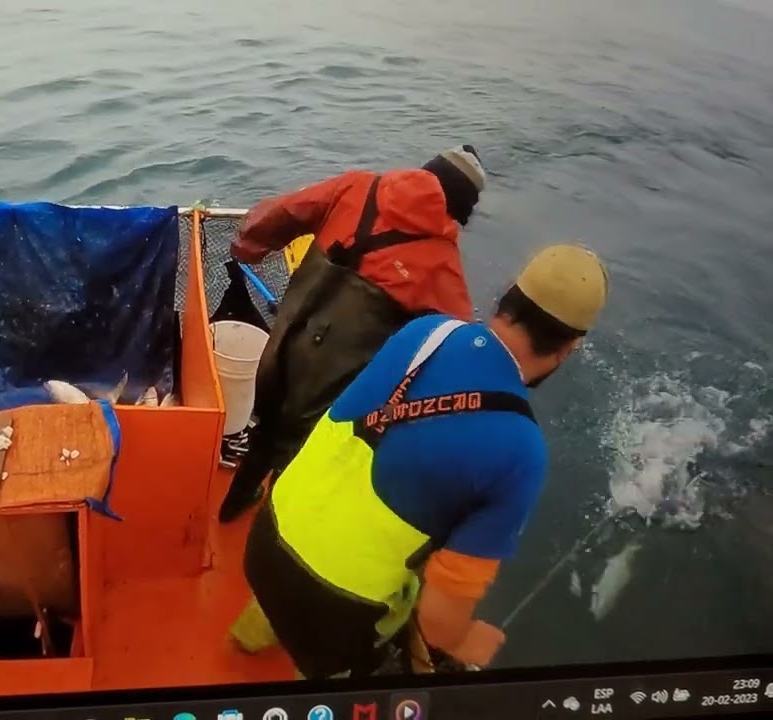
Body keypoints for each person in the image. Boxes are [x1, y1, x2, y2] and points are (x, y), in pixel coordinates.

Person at [228, 244, 609, 679]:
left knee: (295, 574)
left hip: (265, 539)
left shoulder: (428, 332)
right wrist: (467, 641)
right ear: (569, 349)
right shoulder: (522, 451)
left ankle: (246, 635)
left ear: (507, 297)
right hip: (336, 610)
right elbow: (438, 623)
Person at [218, 146, 487, 522]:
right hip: (328, 381)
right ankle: (273, 527)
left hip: (281, 344)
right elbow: (460, 356)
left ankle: (232, 505)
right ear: (458, 210)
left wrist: (249, 246)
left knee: (264, 425)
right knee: (299, 451)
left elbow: (282, 212)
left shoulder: (357, 187)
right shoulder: (443, 267)